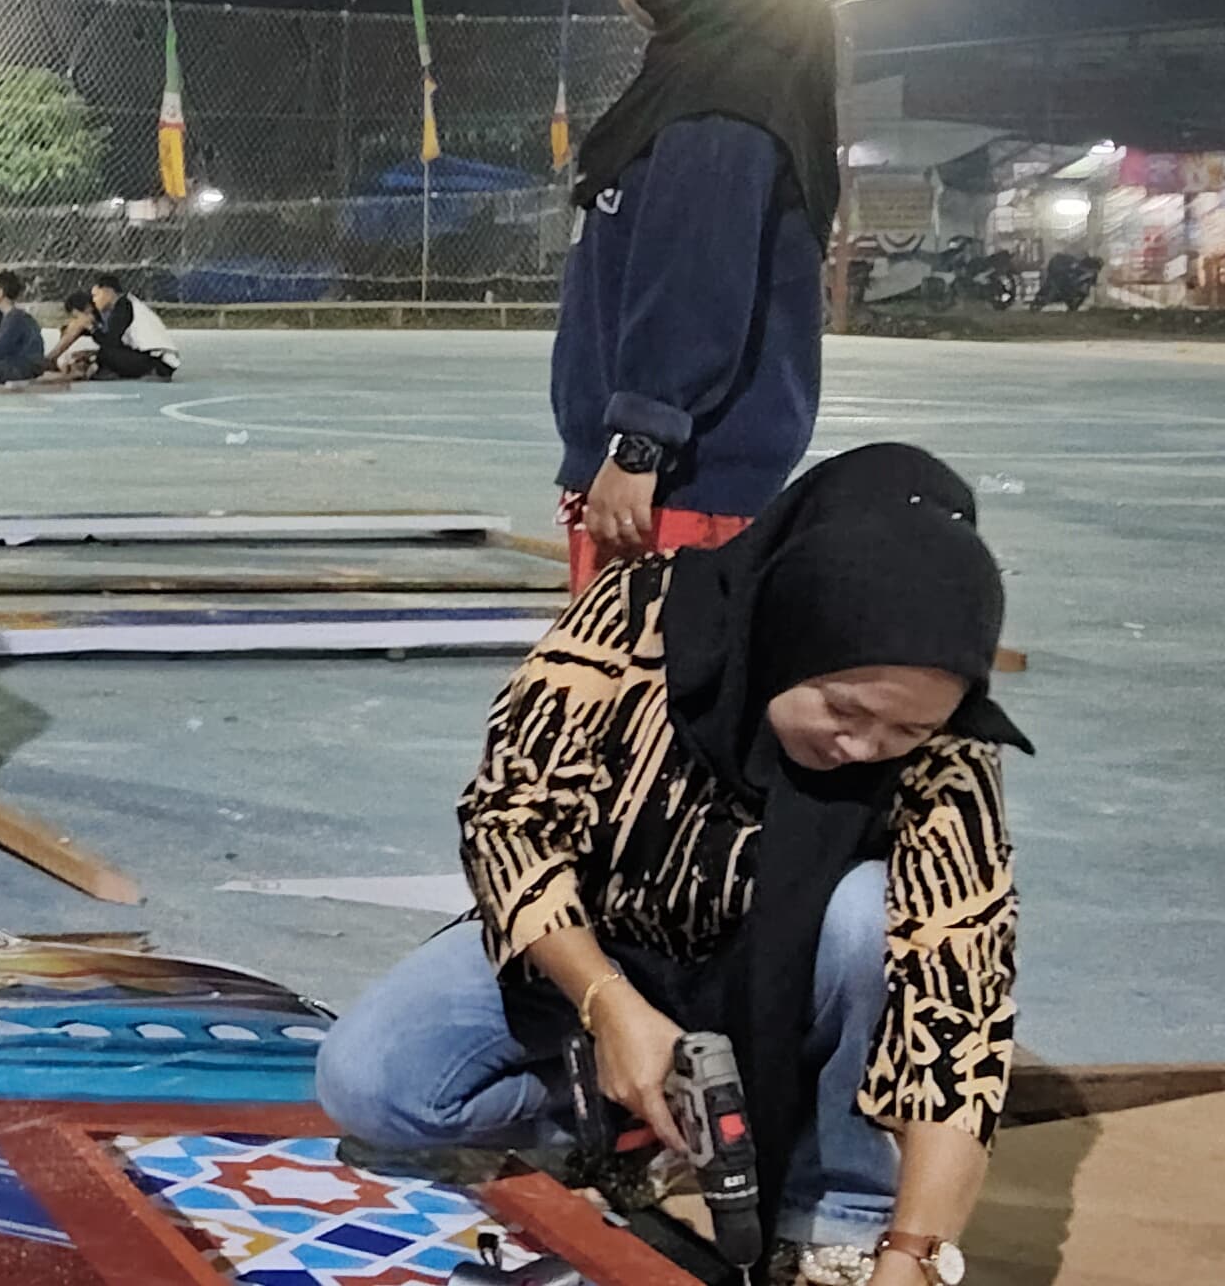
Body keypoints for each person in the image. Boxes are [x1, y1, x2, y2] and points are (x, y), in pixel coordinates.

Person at [314, 444, 1022, 1286]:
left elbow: (961, 1003)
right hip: (596, 937)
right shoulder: (633, 620)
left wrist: (915, 1253)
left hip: (777, 979)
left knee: (869, 915)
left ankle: (837, 1209)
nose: (866, 748)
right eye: (844, 709)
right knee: (371, 1086)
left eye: (906, 732)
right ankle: (630, 1124)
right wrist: (607, 1004)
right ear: (788, 632)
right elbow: (510, 823)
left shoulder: (947, 753)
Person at [553, 0, 842, 588]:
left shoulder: (721, 101)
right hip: (663, 481)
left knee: (649, 666)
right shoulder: (698, 82)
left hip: (676, 492)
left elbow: (693, 281)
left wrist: (640, 443)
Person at [59, 274, 177, 381]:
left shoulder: (124, 307)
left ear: (108, 291)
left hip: (158, 363)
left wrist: (91, 328)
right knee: (102, 353)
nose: (94, 301)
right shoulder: (121, 306)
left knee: (105, 353)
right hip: (153, 358)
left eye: (96, 295)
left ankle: (149, 372)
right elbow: (120, 343)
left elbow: (110, 342)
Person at [0, 270, 50, 384]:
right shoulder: (13, 316)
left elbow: (0, 350)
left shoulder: (15, 318)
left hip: (24, 367)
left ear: (0, 292)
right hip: (22, 364)